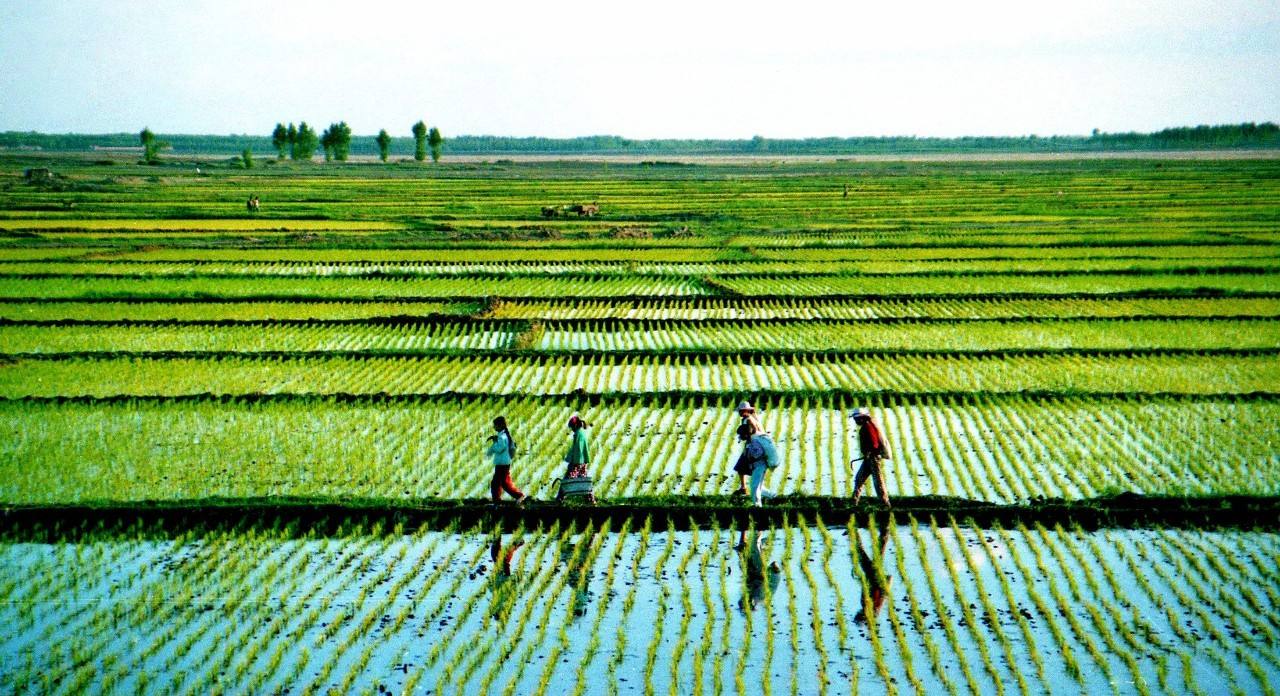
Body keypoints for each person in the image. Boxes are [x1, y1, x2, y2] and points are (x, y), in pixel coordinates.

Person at [851, 407, 891, 507]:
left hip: (873, 459)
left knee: (878, 482)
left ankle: (885, 504)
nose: (855, 421)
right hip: (869, 458)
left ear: (862, 418)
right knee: (859, 478)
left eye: (856, 419)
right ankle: (854, 502)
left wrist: (869, 452)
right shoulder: (866, 426)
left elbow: (874, 443)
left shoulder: (868, 427)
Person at [853, 530, 893, 624]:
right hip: (874, 576)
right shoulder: (872, 605)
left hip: (872, 576)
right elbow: (877, 591)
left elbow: (865, 588)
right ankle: (854, 532)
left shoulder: (868, 605)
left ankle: (884, 531)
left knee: (874, 553)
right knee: (862, 553)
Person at [487, 416, 527, 506]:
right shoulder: (503, 435)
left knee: (499, 483)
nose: (494, 427)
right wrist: (495, 439)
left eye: (495, 426)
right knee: (499, 483)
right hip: (503, 463)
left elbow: (499, 448)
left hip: (502, 463)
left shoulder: (502, 436)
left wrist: (493, 444)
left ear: (501, 426)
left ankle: (519, 496)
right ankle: (497, 501)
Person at [736, 423, 777, 508]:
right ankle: (773, 496)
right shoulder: (750, 441)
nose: (740, 436)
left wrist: (751, 455)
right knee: (758, 486)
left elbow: (759, 453)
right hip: (757, 466)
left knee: (755, 486)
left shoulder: (754, 442)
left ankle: (757, 505)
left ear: (746, 434)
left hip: (759, 466)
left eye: (741, 434)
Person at [556, 413, 593, 502]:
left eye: (572, 427)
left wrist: (575, 462)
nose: (572, 429)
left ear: (575, 425)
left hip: (578, 461)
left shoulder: (579, 434)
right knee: (583, 481)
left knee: (567, 480)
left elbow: (578, 449)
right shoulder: (581, 432)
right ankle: (590, 499)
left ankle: (559, 499)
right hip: (583, 461)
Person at [732, 400, 765, 496]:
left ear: (744, 410)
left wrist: (748, 436)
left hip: (752, 447)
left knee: (742, 467)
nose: (739, 412)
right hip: (755, 446)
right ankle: (744, 488)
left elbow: (754, 429)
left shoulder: (748, 419)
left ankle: (746, 489)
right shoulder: (751, 418)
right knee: (743, 467)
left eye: (740, 411)